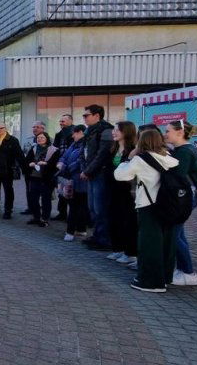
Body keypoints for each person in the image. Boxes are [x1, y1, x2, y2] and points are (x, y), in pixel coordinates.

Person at [114, 128, 180, 293]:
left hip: (148, 205)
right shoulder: (170, 158)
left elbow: (120, 175)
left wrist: (128, 158)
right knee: (166, 243)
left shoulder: (140, 159)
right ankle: (164, 277)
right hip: (170, 205)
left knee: (149, 244)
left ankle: (150, 281)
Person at [165, 120, 197, 286]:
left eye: (168, 131)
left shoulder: (184, 151)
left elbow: (178, 175)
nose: (165, 134)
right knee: (178, 233)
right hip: (185, 196)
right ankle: (184, 269)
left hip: (185, 197)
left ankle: (188, 272)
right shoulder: (184, 150)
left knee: (174, 234)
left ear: (180, 132)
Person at [81, 104, 115, 250]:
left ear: (96, 115)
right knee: (92, 207)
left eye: (86, 115)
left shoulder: (105, 130)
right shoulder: (90, 130)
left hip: (100, 174)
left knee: (100, 208)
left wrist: (88, 171)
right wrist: (86, 170)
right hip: (91, 173)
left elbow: (102, 155)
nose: (84, 118)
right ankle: (97, 235)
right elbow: (85, 152)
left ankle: (104, 239)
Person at [106, 121, 139, 267]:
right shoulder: (113, 148)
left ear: (126, 132)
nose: (113, 132)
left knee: (128, 221)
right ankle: (118, 248)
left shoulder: (132, 150)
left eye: (116, 130)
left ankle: (130, 252)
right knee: (114, 218)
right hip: (114, 190)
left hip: (127, 192)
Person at [57, 125, 89, 241]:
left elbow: (81, 161)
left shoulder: (86, 145)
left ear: (80, 132)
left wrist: (65, 167)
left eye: (74, 133)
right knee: (76, 205)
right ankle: (80, 229)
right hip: (72, 180)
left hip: (81, 181)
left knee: (77, 207)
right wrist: (61, 162)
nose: (72, 135)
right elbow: (64, 156)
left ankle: (70, 232)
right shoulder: (74, 144)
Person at [23, 132, 60, 227]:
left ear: (47, 138)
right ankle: (36, 217)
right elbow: (27, 160)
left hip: (46, 178)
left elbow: (55, 164)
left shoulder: (54, 150)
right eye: (38, 137)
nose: (39, 139)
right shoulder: (34, 148)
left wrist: (45, 164)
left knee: (46, 199)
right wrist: (30, 164)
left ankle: (44, 219)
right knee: (33, 199)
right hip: (34, 177)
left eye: (42, 137)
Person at [21, 121, 47, 215]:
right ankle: (31, 207)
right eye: (33, 127)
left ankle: (43, 210)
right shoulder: (28, 140)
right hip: (29, 169)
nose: (35, 129)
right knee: (29, 189)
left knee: (42, 191)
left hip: (42, 171)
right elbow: (23, 153)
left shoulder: (49, 140)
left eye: (37, 127)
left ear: (43, 129)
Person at [53, 114, 75, 221]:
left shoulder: (74, 133)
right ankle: (62, 213)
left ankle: (73, 216)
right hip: (60, 166)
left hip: (71, 166)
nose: (61, 123)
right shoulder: (59, 134)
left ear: (70, 121)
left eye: (63, 121)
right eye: (60, 121)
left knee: (71, 191)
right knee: (61, 191)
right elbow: (56, 149)